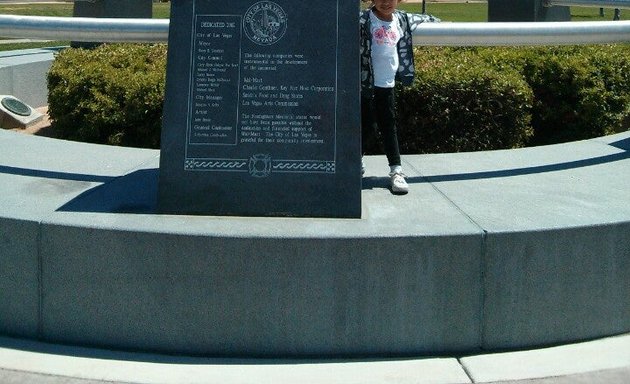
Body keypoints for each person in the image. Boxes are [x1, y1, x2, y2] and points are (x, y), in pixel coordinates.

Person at [360, 0, 439, 194]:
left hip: (387, 85)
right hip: (364, 84)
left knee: (389, 126)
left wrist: (437, 21)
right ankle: (356, 160)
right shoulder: (363, 19)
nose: (386, 2)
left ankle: (396, 170)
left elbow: (423, 18)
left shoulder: (401, 19)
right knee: (366, 125)